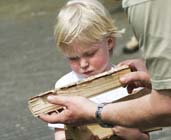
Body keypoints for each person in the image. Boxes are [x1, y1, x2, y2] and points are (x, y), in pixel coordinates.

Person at [39, 0, 171, 133]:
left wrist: (133, 136)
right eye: (73, 58)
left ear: (109, 42)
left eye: (90, 54)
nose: (83, 64)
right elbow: (61, 133)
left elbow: (148, 131)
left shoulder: (129, 82)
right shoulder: (63, 87)